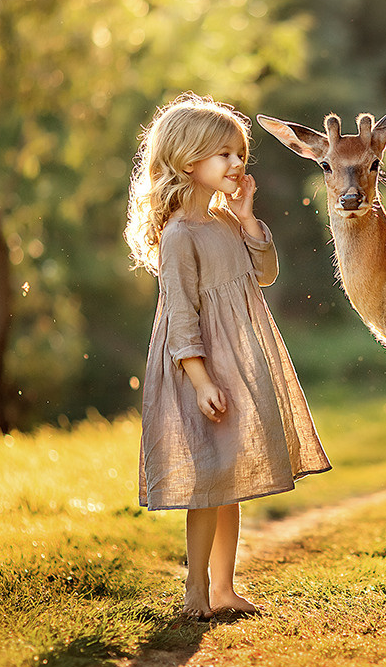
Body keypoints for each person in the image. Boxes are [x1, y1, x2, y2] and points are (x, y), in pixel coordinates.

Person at [125, 92, 331, 619]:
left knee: (231, 479)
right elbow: (181, 316)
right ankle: (195, 589)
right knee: (207, 486)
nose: (237, 163)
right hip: (198, 368)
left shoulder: (224, 222)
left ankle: (224, 588)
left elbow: (265, 274)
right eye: (224, 154)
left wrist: (247, 218)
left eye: (240, 154)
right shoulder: (179, 235)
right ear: (187, 161)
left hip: (236, 365)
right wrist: (201, 381)